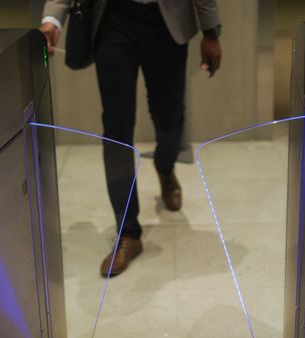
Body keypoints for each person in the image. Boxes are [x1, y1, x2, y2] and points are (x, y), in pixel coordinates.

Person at [40, 0, 222, 277]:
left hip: (166, 22)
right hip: (113, 19)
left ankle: (164, 166)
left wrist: (211, 33)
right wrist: (52, 20)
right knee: (116, 129)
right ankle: (128, 232)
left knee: (169, 119)